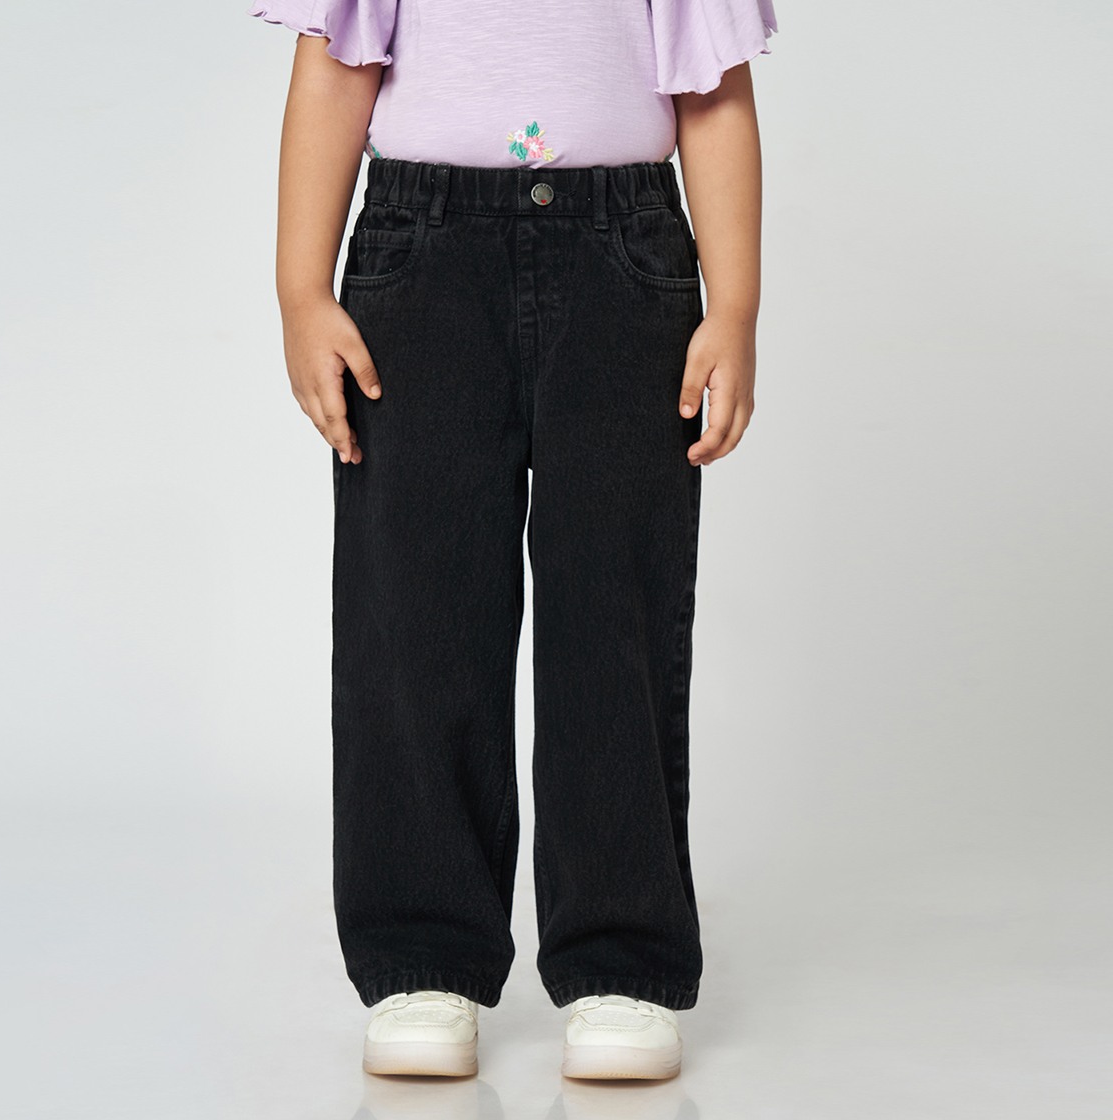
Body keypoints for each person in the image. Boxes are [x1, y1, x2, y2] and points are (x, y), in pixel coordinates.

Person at [246, 0, 779, 1082]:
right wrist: (301, 290)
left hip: (623, 255)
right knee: (418, 611)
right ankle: (423, 953)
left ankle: (621, 959)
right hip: (422, 256)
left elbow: (714, 89)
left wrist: (736, 309)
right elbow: (335, 67)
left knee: (614, 615)